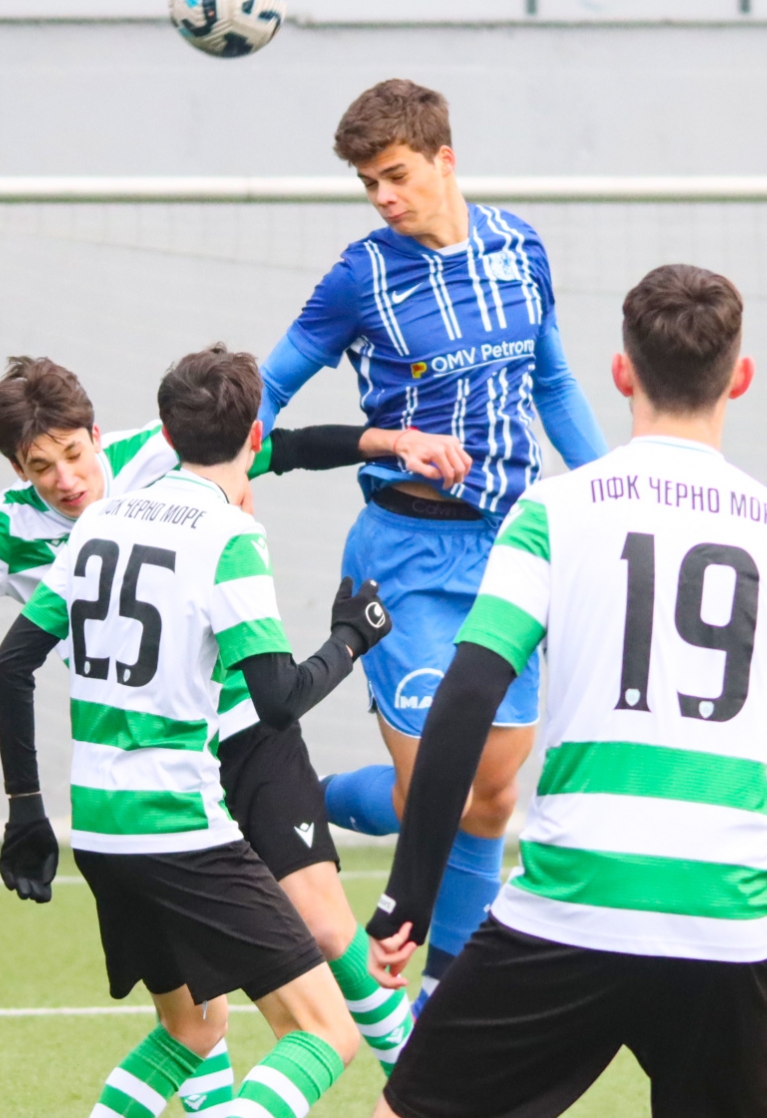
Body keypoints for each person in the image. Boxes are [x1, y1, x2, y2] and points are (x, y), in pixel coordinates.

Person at [0, 356, 456, 1091]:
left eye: (73, 454)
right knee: (200, 1013)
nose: (66, 478)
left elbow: (283, 447)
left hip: (247, 731)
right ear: (17, 468)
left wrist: (393, 444)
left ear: (96, 436)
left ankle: (426, 1092)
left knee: (328, 928)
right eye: (40, 467)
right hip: (154, 765)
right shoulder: (5, 532)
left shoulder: (158, 452)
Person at [363, 265, 767, 1118]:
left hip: (573, 903)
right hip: (722, 919)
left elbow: (468, 695)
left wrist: (409, 890)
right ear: (739, 377)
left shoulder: (551, 510)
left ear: (621, 373)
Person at [257, 79, 609, 1005]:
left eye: (396, 175)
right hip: (405, 557)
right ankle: (297, 801)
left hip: (510, 550)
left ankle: (439, 993)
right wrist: (228, 478)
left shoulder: (519, 247)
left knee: (491, 795)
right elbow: (265, 390)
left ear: (443, 159)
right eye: (368, 182)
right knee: (431, 794)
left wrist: (613, 490)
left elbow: (553, 385)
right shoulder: (359, 276)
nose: (382, 196)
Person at [0, 345, 392, 1118]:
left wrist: (25, 810)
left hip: (99, 829)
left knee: (194, 1027)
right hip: (179, 827)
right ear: (254, 436)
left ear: (164, 434)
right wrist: (350, 638)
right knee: (323, 1033)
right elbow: (278, 700)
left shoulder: (97, 522)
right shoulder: (229, 536)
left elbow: (10, 664)